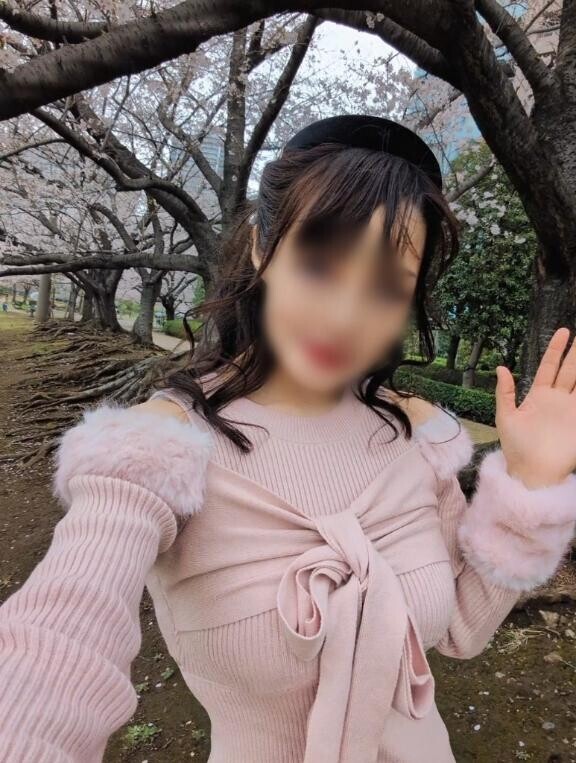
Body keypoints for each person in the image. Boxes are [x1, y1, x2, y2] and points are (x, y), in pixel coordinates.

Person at [1, 114, 576, 763]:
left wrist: (532, 481)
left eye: (386, 287)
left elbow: (462, 629)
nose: (344, 316)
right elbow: (60, 637)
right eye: (320, 265)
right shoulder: (159, 449)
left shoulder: (414, 434)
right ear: (261, 248)